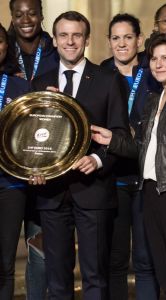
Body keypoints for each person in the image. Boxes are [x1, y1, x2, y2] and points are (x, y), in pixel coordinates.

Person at [91, 33, 166, 300]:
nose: (158, 64)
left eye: (165, 58)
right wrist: (113, 141)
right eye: (154, 59)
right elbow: (145, 151)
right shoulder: (154, 99)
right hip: (152, 193)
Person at [30, 11, 129, 299]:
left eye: (76, 35)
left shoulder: (108, 79)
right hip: (52, 193)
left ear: (86, 40)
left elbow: (119, 135)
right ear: (55, 40)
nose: (70, 41)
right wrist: (33, 168)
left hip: (93, 191)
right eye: (63, 35)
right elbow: (32, 138)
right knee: (57, 278)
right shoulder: (41, 83)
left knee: (95, 276)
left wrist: (97, 159)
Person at [100, 13, 159, 300]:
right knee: (116, 260)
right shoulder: (98, 74)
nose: (122, 43)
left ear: (139, 40)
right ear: (108, 42)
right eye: (115, 38)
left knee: (147, 261)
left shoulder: (155, 73)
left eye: (128, 37)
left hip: (148, 178)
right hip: (114, 179)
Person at [8, 1, 59, 298]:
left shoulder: (55, 51)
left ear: (41, 15)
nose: (26, 19)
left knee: (39, 245)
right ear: (12, 17)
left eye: (32, 13)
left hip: (45, 161)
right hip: (10, 165)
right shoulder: (3, 52)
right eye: (19, 14)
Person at [0, 23, 29, 300]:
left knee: (5, 263)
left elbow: (32, 134)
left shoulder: (20, 85)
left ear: (6, 45)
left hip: (10, 184)